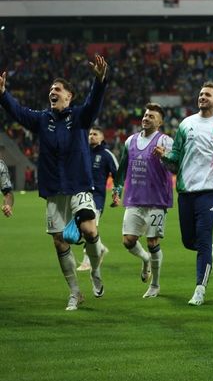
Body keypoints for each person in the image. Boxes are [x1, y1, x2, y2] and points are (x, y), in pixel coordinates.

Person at [0, 55, 109, 311]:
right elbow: (17, 112)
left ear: (69, 96)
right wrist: (3, 93)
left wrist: (100, 80)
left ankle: (94, 271)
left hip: (78, 185)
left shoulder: (80, 116)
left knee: (91, 231)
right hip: (53, 189)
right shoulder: (41, 119)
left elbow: (94, 102)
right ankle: (75, 293)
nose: (53, 91)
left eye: (58, 89)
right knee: (60, 242)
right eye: (51, 89)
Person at [154, 81, 213, 306]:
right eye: (201, 94)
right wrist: (163, 156)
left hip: (210, 191)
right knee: (188, 241)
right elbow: (175, 158)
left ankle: (200, 289)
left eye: (207, 94)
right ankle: (206, 250)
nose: (202, 97)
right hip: (185, 191)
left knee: (204, 239)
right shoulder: (186, 124)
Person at [113, 103, 173, 298]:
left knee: (152, 241)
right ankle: (145, 259)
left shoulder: (165, 141)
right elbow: (122, 166)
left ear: (160, 122)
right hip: (134, 198)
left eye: (152, 116)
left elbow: (175, 166)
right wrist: (117, 188)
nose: (146, 118)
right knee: (128, 241)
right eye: (146, 115)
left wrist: (165, 157)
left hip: (157, 200)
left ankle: (155, 285)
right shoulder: (130, 141)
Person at [77, 126, 118, 271]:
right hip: (80, 196)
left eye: (95, 134)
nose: (91, 136)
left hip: (97, 197)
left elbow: (117, 175)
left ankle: (87, 260)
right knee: (82, 228)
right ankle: (99, 248)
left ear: (102, 137)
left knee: (90, 228)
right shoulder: (82, 152)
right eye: (90, 134)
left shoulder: (106, 154)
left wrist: (116, 193)